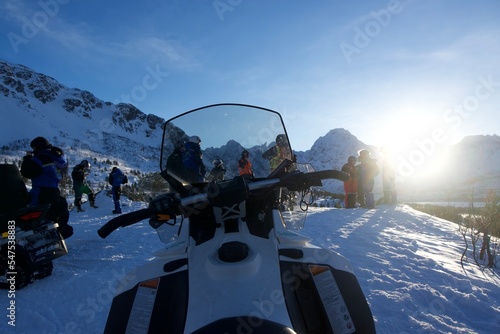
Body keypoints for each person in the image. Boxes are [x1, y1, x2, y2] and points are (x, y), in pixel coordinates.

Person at [20, 136, 73, 238]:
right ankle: (60, 231)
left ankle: (37, 237)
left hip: (41, 191)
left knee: (34, 213)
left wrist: (27, 159)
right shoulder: (57, 157)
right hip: (55, 190)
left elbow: (26, 172)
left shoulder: (41, 158)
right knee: (57, 209)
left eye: (34, 148)